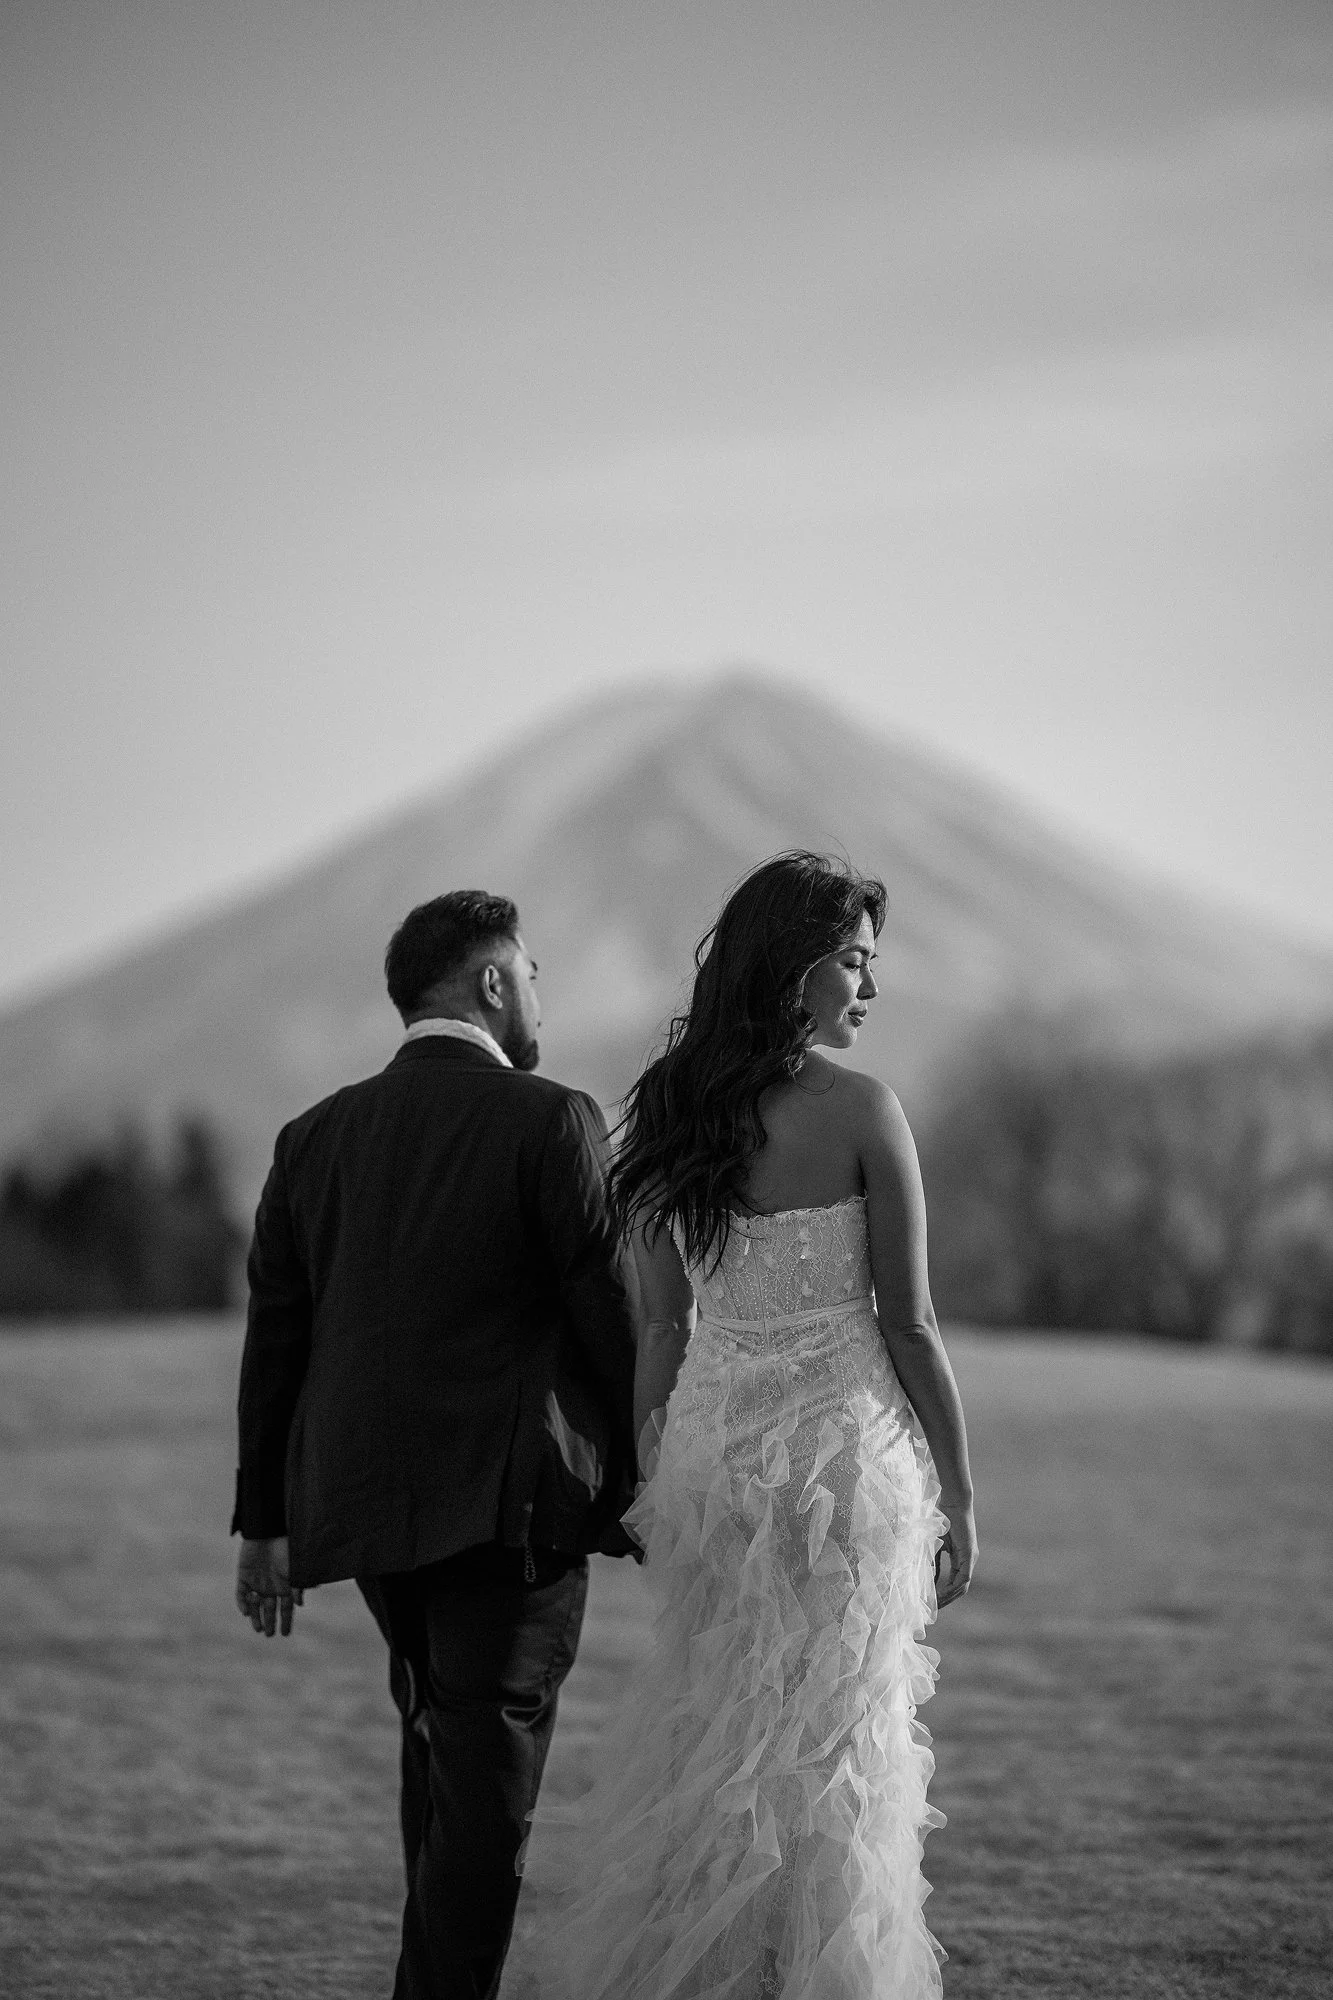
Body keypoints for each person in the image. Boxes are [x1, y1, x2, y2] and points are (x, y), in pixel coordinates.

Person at [527, 851, 977, 2000]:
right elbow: (911, 1321)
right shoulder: (865, 1110)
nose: (869, 991)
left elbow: (664, 1329)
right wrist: (962, 1494)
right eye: (855, 963)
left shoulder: (672, 1109)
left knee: (718, 1728)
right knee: (833, 1750)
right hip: (846, 1469)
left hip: (715, 1463)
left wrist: (646, 1461)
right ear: (796, 969)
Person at [230, 890, 638, 2000]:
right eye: (534, 970)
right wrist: (645, 1479)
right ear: (492, 983)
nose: (541, 992)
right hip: (511, 1517)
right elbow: (611, 1320)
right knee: (482, 1785)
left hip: (367, 1514)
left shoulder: (313, 1136)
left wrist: (262, 1519)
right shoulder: (551, 1119)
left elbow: (276, 1339)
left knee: (441, 1747)